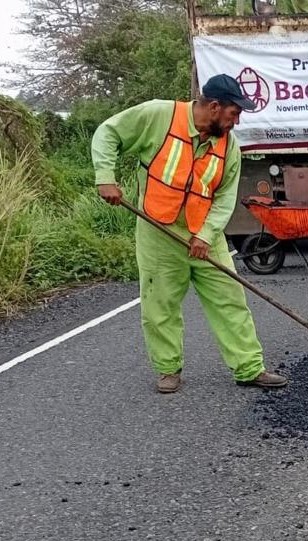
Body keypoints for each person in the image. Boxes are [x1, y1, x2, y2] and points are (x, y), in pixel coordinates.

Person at [91, 74, 288, 393]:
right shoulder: (158, 116)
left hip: (204, 237)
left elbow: (225, 197)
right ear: (213, 107)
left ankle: (249, 368)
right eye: (233, 113)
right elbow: (107, 133)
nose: (236, 121)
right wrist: (105, 177)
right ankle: (168, 369)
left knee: (230, 300)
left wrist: (206, 235)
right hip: (159, 233)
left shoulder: (229, 147)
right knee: (160, 304)